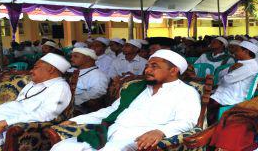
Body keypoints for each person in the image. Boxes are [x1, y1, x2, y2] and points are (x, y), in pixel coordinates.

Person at [51, 50, 201, 151]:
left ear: (173, 70)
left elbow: (187, 121)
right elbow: (112, 111)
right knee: (61, 148)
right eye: (147, 66)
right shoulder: (137, 88)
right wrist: (76, 120)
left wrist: (161, 131)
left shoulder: (186, 92)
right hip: (108, 134)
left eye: (154, 66)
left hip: (136, 140)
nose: (147, 70)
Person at [207, 40, 258, 124]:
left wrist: (226, 74)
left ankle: (210, 126)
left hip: (233, 96)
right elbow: (219, 74)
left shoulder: (250, 66)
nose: (234, 52)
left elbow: (226, 80)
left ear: (246, 52)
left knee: (206, 103)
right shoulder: (241, 63)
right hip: (227, 91)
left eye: (237, 50)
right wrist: (230, 68)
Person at [70, 48, 109, 113]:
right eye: (72, 56)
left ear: (88, 58)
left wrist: (72, 99)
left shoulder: (98, 76)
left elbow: (97, 94)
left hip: (81, 110)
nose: (71, 59)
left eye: (75, 56)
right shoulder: (73, 71)